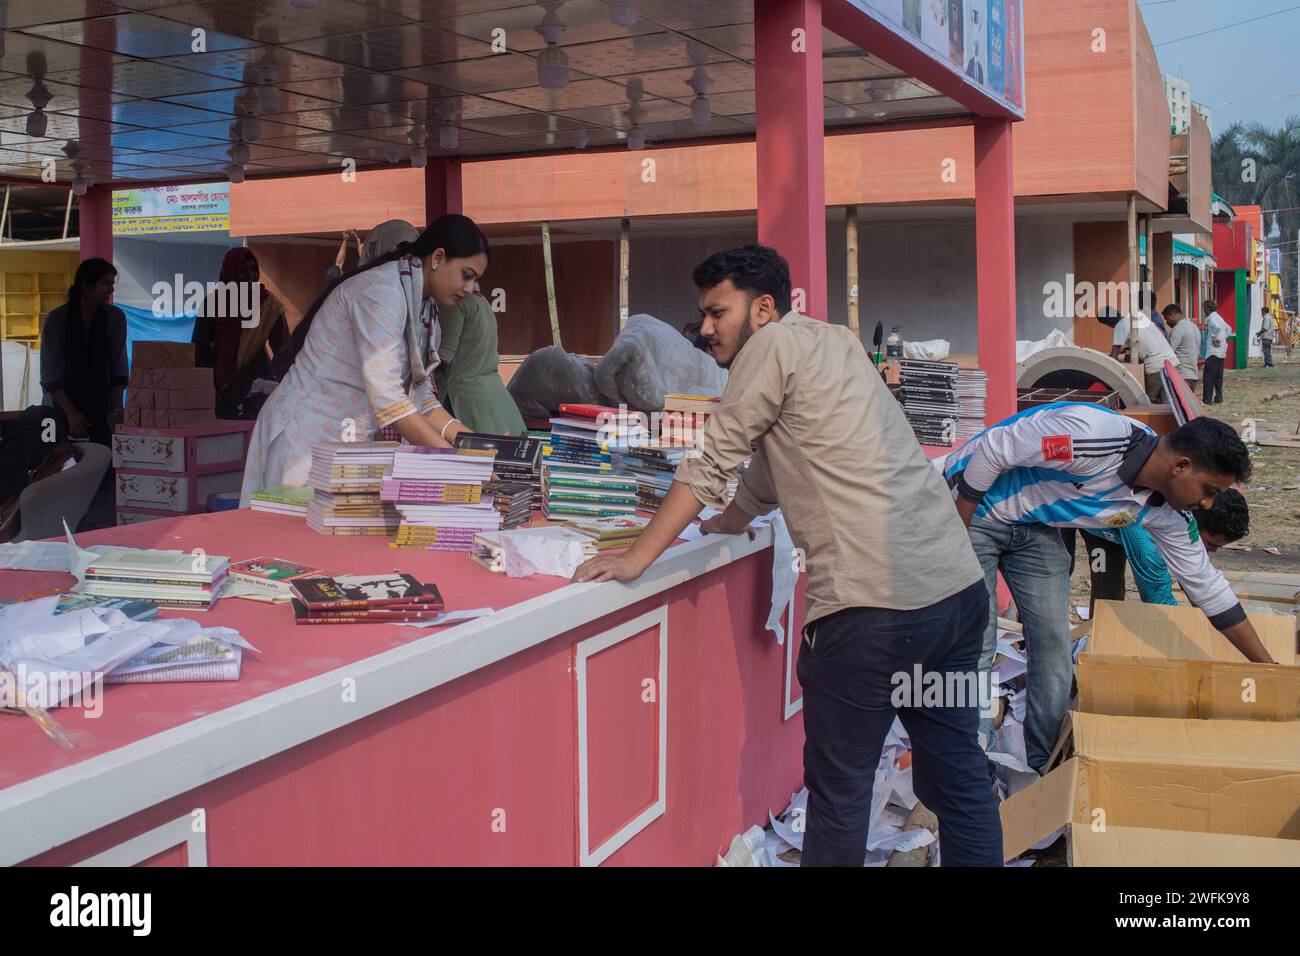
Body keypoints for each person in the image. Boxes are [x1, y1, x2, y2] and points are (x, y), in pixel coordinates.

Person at [574, 245, 1002, 867]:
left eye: (719, 312)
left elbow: (713, 458)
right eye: (702, 315)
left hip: (874, 614)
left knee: (840, 796)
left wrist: (637, 558)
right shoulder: (833, 341)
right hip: (956, 600)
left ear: (764, 308)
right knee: (959, 778)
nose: (707, 328)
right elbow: (779, 464)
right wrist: (729, 521)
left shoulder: (767, 347)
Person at [945, 406, 1274, 774]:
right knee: (975, 642)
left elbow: (1209, 589)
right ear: (1181, 466)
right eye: (1209, 490)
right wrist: (960, 525)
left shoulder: (1169, 513)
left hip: (1035, 526)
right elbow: (995, 448)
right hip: (974, 509)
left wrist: (1269, 668)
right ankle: (969, 766)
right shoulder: (1097, 435)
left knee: (1053, 641)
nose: (1209, 503)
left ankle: (1044, 766)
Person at [241, 214, 489, 502]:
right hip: (305, 434)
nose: (470, 289)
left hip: (345, 438)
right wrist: (456, 462)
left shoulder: (423, 306)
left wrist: (470, 443)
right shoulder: (382, 292)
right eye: (467, 275)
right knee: (297, 540)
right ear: (437, 257)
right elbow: (389, 399)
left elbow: (419, 395)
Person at [38, 258, 128, 446]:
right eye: (105, 284)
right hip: (62, 407)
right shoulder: (56, 320)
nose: (111, 290)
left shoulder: (115, 318)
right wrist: (71, 413)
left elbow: (118, 366)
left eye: (112, 284)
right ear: (86, 286)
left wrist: (116, 413)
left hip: (101, 405)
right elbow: (49, 375)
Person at [192, 248, 288, 420]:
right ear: (230, 271)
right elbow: (199, 349)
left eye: (253, 269)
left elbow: (283, 351)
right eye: (243, 270)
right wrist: (205, 388)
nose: (250, 275)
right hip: (219, 385)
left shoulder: (269, 305)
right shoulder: (212, 303)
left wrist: (283, 386)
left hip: (256, 382)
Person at [434, 293, 526, 437]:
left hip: (467, 400)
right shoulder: (482, 301)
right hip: (497, 396)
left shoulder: (454, 303)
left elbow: (445, 355)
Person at [1103, 308, 1177, 403]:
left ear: (1107, 324)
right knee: (1169, 402)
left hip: (1156, 367)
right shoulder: (1138, 317)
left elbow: (1114, 357)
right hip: (1171, 362)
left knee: (1151, 404)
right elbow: (1147, 343)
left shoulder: (1120, 326)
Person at [1202, 299, 1232, 404]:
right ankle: (1219, 397)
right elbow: (1229, 329)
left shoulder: (1212, 319)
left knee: (1208, 377)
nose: (1203, 311)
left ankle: (1207, 399)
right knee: (1218, 377)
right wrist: (1223, 338)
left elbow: (1217, 328)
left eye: (1204, 308)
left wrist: (1215, 338)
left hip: (1213, 351)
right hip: (1222, 351)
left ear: (1207, 309)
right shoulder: (1219, 317)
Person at [1165, 304, 1200, 389]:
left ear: (1171, 315)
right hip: (1193, 374)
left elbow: (1169, 351)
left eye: (1167, 319)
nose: (1167, 322)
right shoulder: (1194, 327)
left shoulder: (1178, 328)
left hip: (1182, 374)